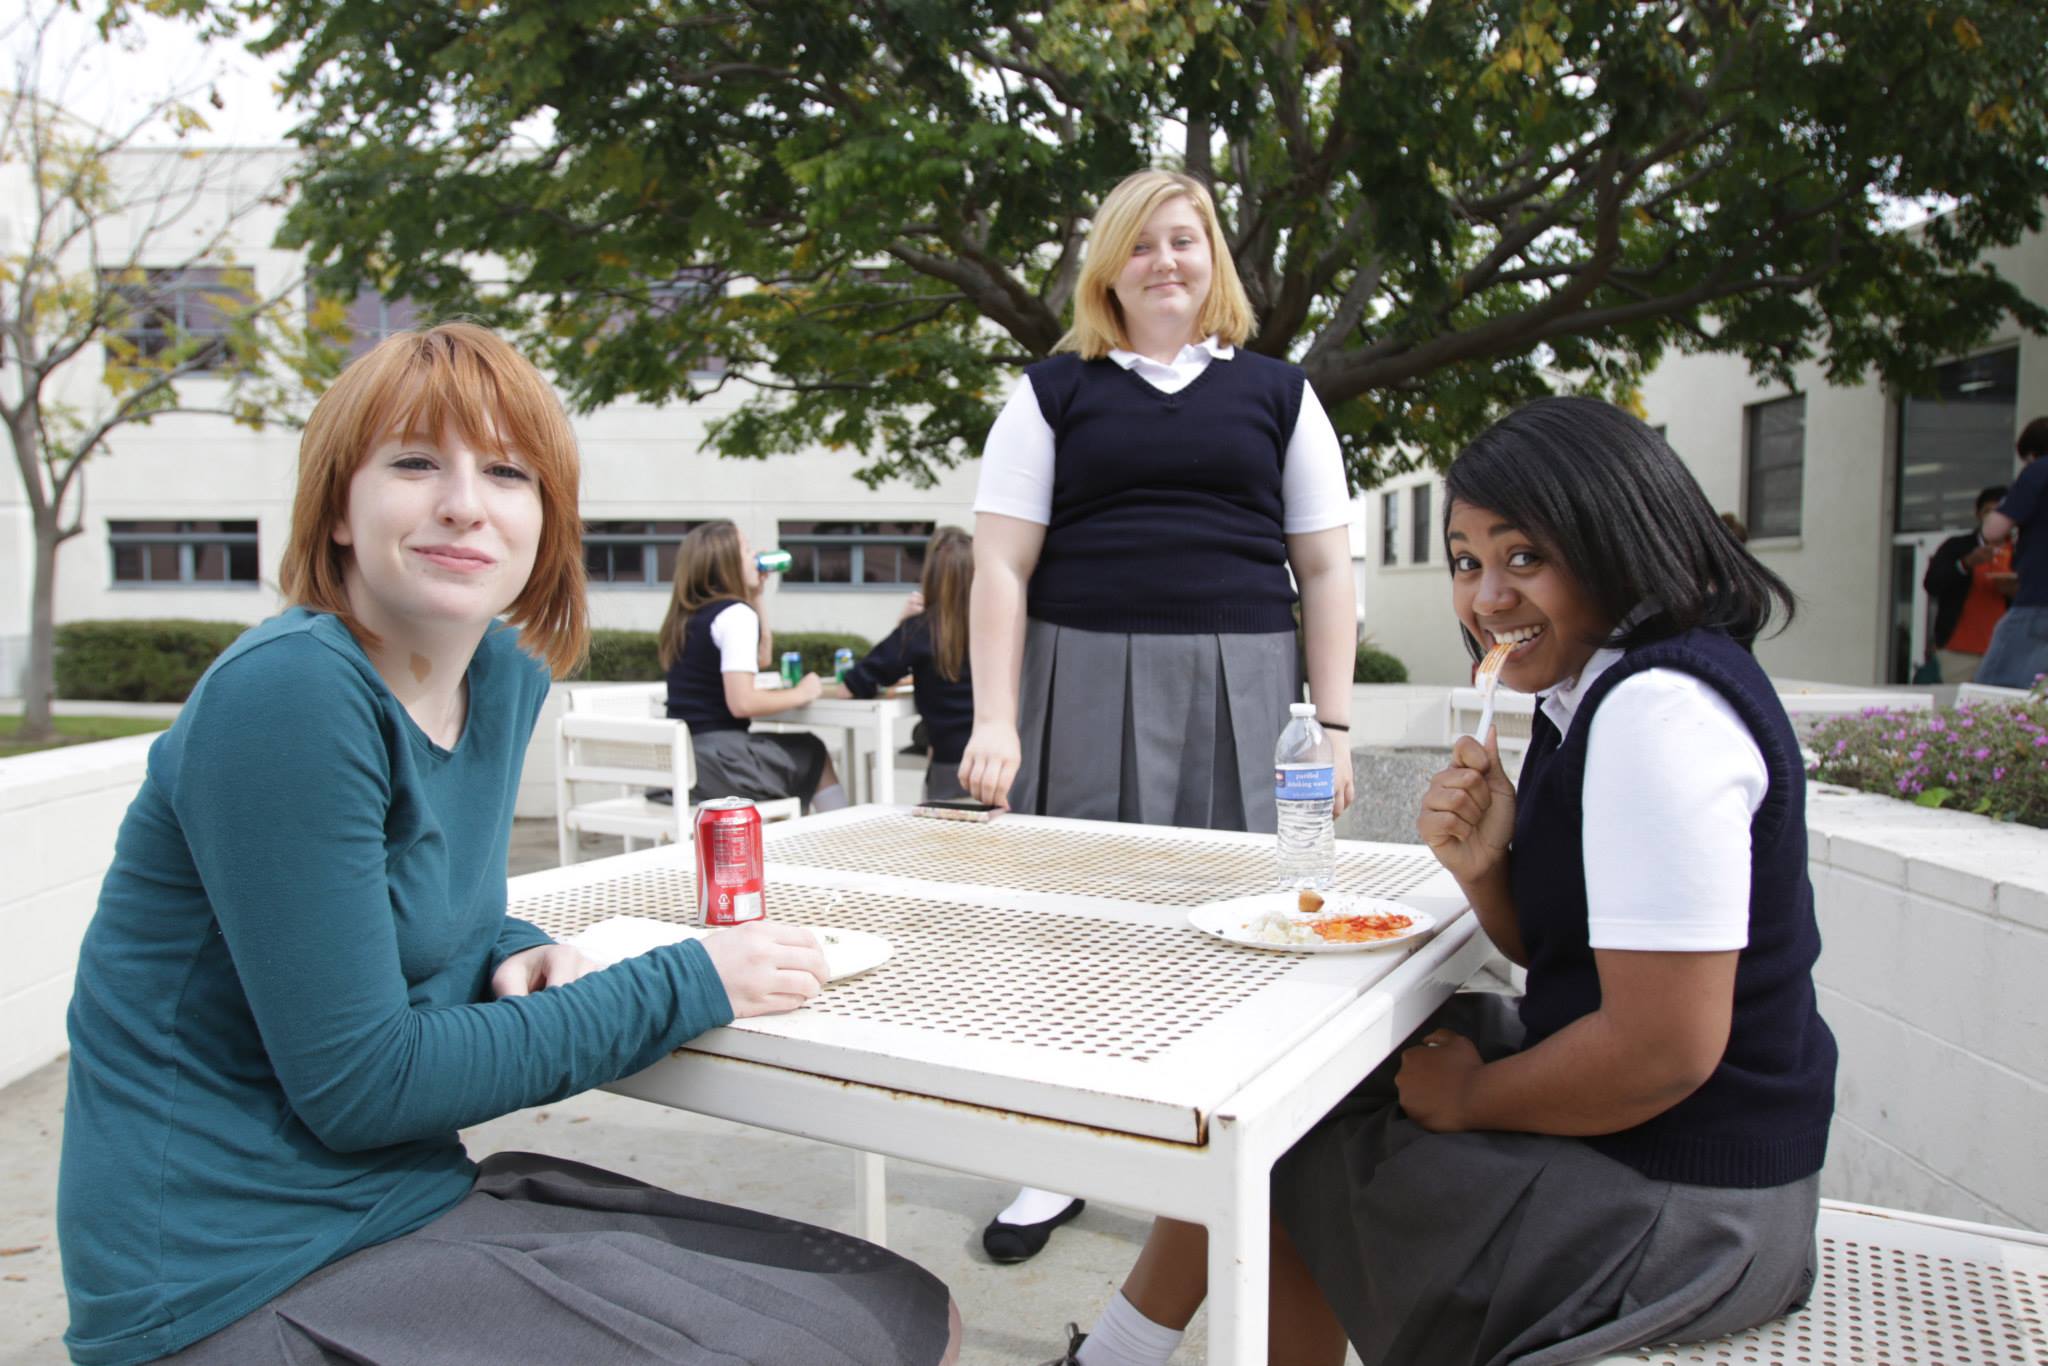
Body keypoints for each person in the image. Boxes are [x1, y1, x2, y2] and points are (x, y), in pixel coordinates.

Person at [58, 323, 958, 1366]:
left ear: (545, 518)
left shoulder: (499, 677)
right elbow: (363, 1085)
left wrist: (509, 943)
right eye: (412, 462)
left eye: (506, 470)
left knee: (896, 1306)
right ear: (339, 512)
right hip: (232, 1271)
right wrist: (689, 979)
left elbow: (435, 909)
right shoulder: (290, 693)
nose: (463, 502)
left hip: (400, 1197)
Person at [1045, 396, 1837, 1366]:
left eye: (1522, 556)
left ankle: (1113, 1358)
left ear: (1614, 535)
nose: (1485, 598)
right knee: (1299, 1093)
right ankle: (1115, 1357)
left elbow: (1662, 1048)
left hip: (1684, 1214)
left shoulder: (1655, 712)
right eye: (1466, 561)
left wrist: (1470, 1098)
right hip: (1688, 1166)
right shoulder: (1587, 690)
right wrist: (1483, 866)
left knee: (1284, 1149)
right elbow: (1565, 962)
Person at [962, 168, 1358, 1263]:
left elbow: (1325, 571)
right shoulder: (1051, 392)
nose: (1165, 261)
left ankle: (1227, 1158)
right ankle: (1057, 1160)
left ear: (1211, 257)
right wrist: (995, 719)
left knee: (1240, 919)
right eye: (1141, 244)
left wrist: (1331, 730)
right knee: (1076, 922)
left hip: (1244, 680)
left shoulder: (1279, 393)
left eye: (1184, 239)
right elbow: (998, 565)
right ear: (1108, 267)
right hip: (1077, 671)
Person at [659, 519, 849, 811]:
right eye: (747, 551)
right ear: (727, 564)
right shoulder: (735, 615)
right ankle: (841, 842)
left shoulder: (688, 617)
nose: (757, 558)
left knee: (802, 751)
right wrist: (803, 692)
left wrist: (757, 597)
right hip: (720, 762)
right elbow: (742, 703)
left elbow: (760, 659)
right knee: (812, 750)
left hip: (684, 762)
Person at [829, 526, 976, 800]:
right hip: (1006, 763)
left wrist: (903, 624)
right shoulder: (1003, 628)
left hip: (949, 767)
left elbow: (850, 686)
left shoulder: (920, 630)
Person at [1977, 416, 2048, 690]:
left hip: (2038, 601)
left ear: (2031, 454)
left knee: (1992, 692)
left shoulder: (2039, 471)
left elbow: (1994, 530)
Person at [1921, 485, 2013, 684]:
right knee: (1957, 706)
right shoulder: (1957, 546)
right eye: (1989, 511)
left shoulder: (2020, 550)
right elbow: (1932, 584)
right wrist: (1965, 564)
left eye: (2002, 512)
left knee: (2003, 710)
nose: (1995, 518)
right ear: (1978, 514)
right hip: (1959, 651)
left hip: (2006, 651)